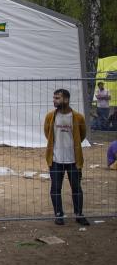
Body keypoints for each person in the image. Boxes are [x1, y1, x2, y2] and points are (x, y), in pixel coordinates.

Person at [42, 89, 89, 226]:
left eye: (57, 98)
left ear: (66, 100)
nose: (54, 100)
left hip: (74, 160)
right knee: (55, 188)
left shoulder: (78, 117)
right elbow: (47, 133)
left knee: (76, 188)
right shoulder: (50, 116)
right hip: (55, 159)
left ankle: (79, 214)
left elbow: (82, 135)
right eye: (54, 98)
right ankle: (58, 214)